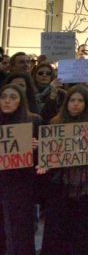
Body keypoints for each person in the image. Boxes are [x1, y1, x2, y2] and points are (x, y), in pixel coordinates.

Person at [39, 85, 88, 255]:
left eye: (80, 100)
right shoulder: (55, 124)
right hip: (62, 191)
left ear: (86, 103)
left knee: (86, 236)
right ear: (66, 103)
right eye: (72, 100)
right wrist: (45, 163)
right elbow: (50, 159)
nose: (75, 104)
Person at [0, 84, 40, 255]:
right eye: (4, 97)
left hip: (21, 184)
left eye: (13, 97)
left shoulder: (34, 121)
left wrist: (36, 148)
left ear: (21, 101)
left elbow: (44, 161)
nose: (7, 101)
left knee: (20, 229)